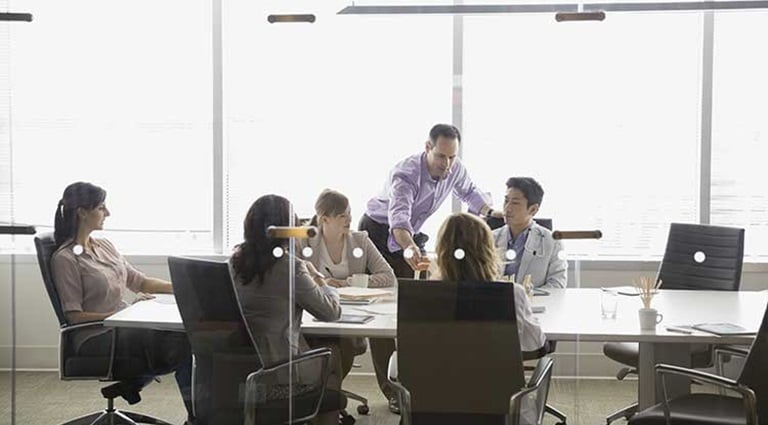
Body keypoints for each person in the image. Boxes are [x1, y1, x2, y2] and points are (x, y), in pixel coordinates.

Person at [359, 123, 502, 412]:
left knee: (422, 305)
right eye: (440, 157)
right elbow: (399, 221)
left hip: (410, 233)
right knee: (386, 311)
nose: (446, 165)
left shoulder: (455, 167)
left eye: (451, 157)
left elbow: (471, 193)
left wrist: (489, 212)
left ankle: (421, 380)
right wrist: (410, 250)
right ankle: (393, 392)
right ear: (427, 148)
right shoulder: (406, 174)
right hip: (379, 231)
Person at [50, 182, 193, 422]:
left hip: (124, 329)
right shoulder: (65, 259)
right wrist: (125, 315)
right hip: (96, 336)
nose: (108, 213)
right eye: (101, 207)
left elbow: (141, 282)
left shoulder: (105, 246)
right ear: (82, 212)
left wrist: (185, 289)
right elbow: (74, 316)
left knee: (187, 339)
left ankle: (135, 383)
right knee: (186, 344)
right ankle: (196, 416)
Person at [229, 194, 342, 425]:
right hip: (278, 382)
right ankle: (318, 412)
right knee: (334, 356)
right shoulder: (291, 267)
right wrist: (319, 279)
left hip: (236, 381)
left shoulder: (233, 264)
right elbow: (331, 312)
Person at [432, 212, 547, 425]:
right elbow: (535, 346)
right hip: (500, 411)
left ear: (440, 251)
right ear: (487, 251)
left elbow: (409, 355)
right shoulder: (512, 294)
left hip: (433, 409)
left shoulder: (426, 296)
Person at [297, 189, 396, 381]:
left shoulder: (360, 240)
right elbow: (295, 276)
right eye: (342, 216)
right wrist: (321, 283)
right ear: (324, 219)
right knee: (333, 345)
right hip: (317, 311)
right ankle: (328, 394)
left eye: (349, 213)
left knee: (380, 334)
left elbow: (388, 276)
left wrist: (348, 282)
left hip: (354, 311)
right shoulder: (304, 242)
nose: (349, 219)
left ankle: (391, 392)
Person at [492, 177, 567, 289]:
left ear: (533, 209)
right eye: (506, 201)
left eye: (515, 203)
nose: (507, 208)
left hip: (535, 304)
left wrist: (526, 298)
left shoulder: (552, 242)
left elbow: (557, 284)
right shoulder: (489, 238)